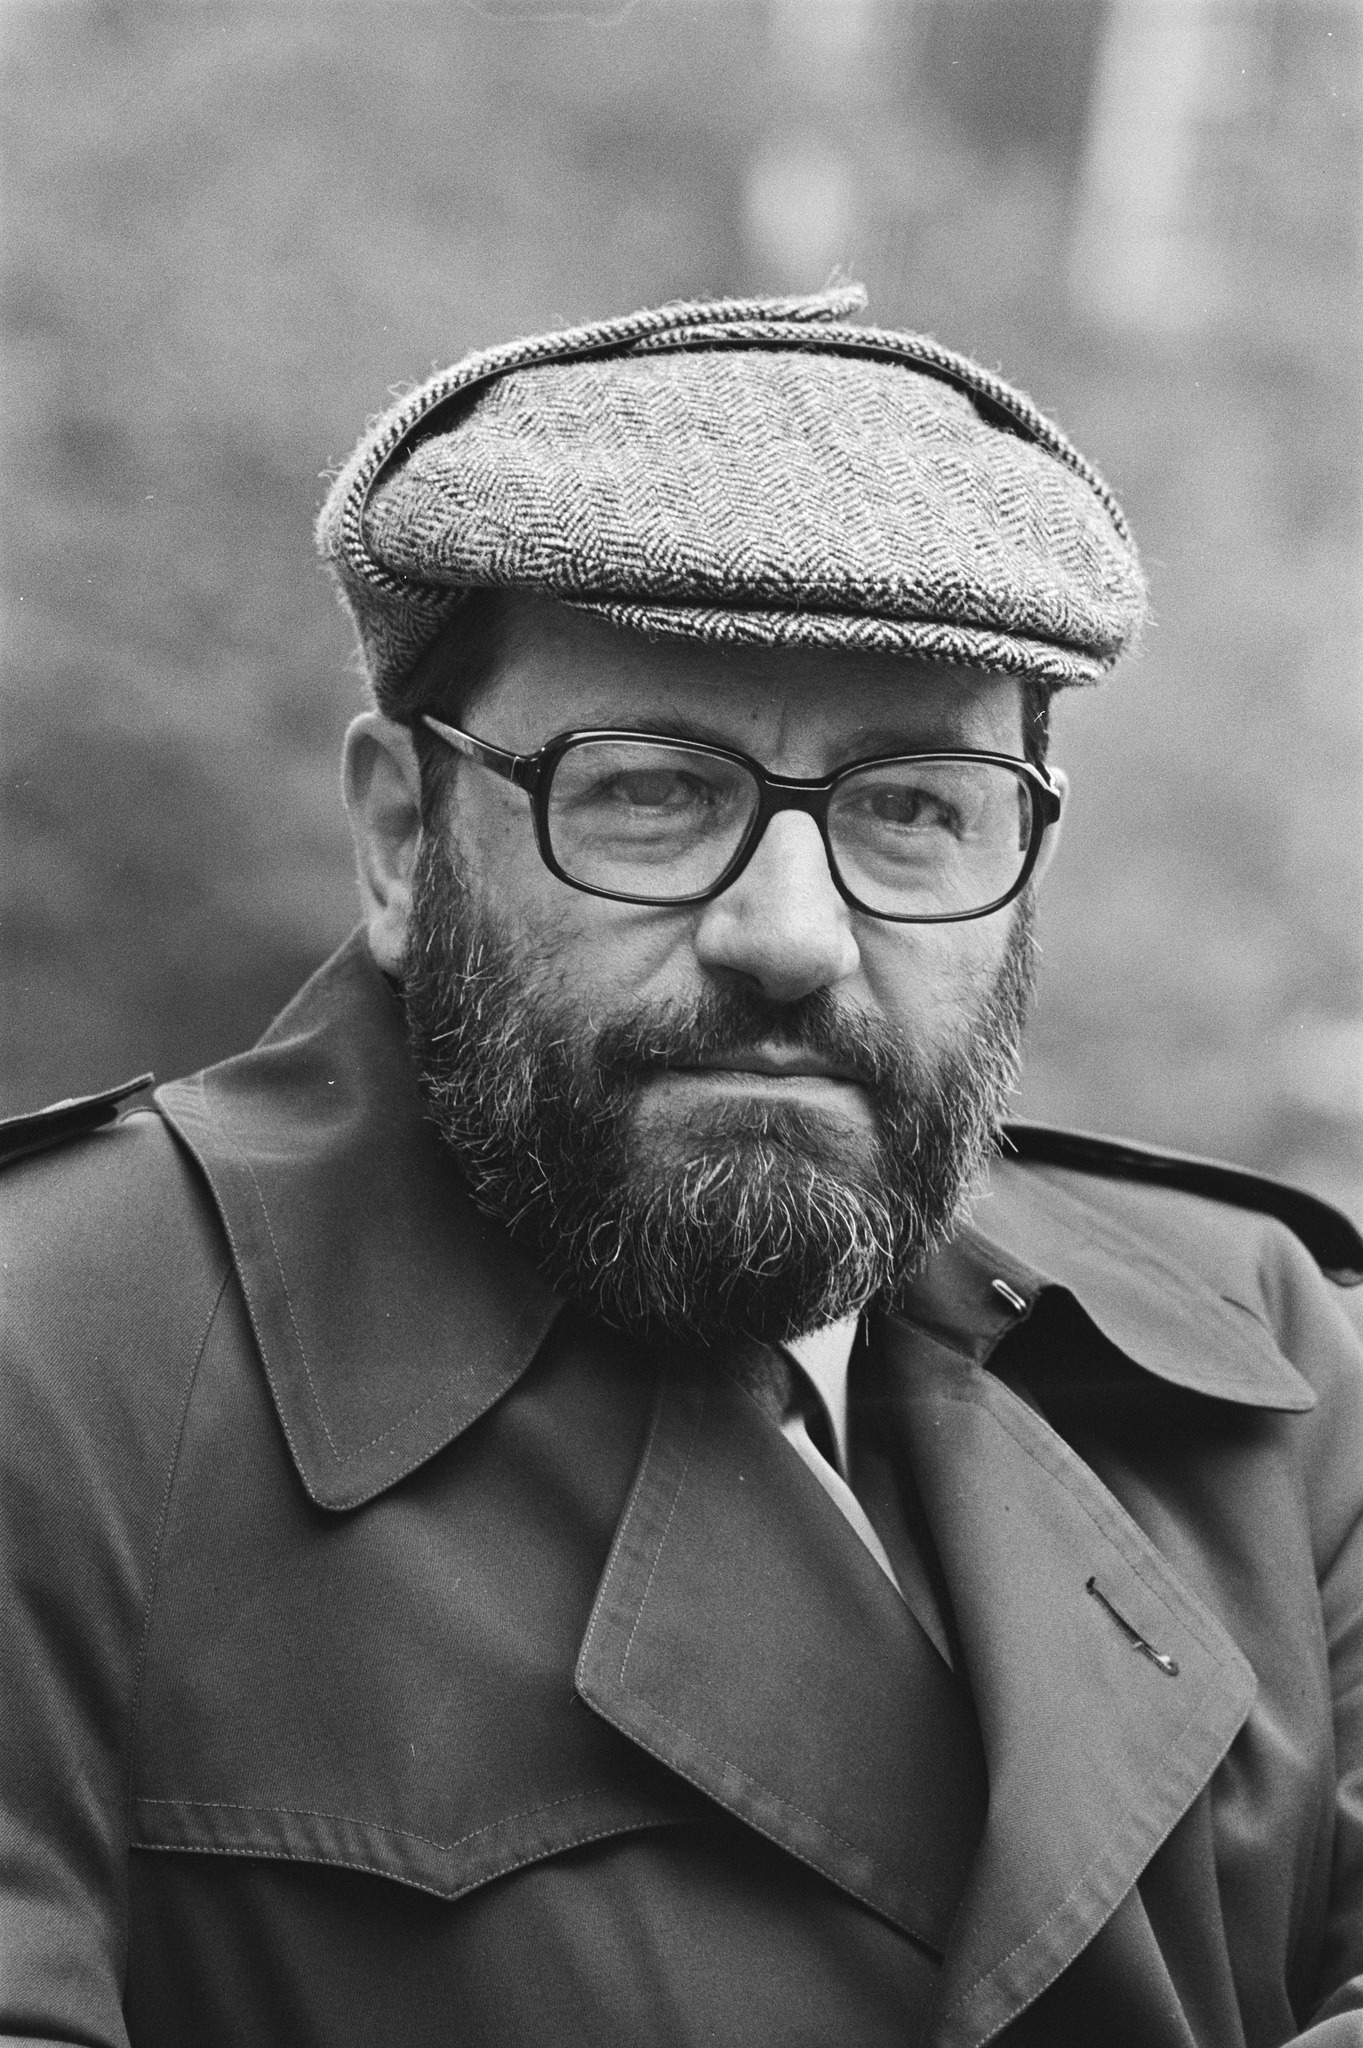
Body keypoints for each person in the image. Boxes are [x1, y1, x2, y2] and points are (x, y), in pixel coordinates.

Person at [2, 286, 1360, 2048]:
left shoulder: (1273, 1367)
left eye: (913, 806)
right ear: (403, 837)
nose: (788, 936)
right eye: (650, 790)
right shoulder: (58, 1362)